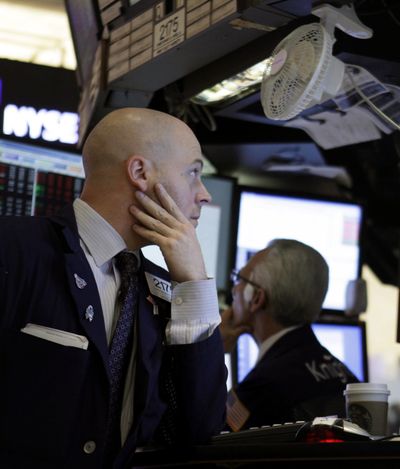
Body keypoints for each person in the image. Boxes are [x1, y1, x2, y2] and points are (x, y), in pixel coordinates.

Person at [0, 108, 227, 469]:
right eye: (193, 173)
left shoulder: (164, 288)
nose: (203, 195)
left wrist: (194, 283)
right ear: (140, 172)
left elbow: (200, 429)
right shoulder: (14, 249)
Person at [220, 238, 359, 432]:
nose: (234, 289)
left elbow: (205, 434)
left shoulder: (261, 389)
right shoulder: (346, 376)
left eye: (239, 279)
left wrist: (213, 352)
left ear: (256, 298)